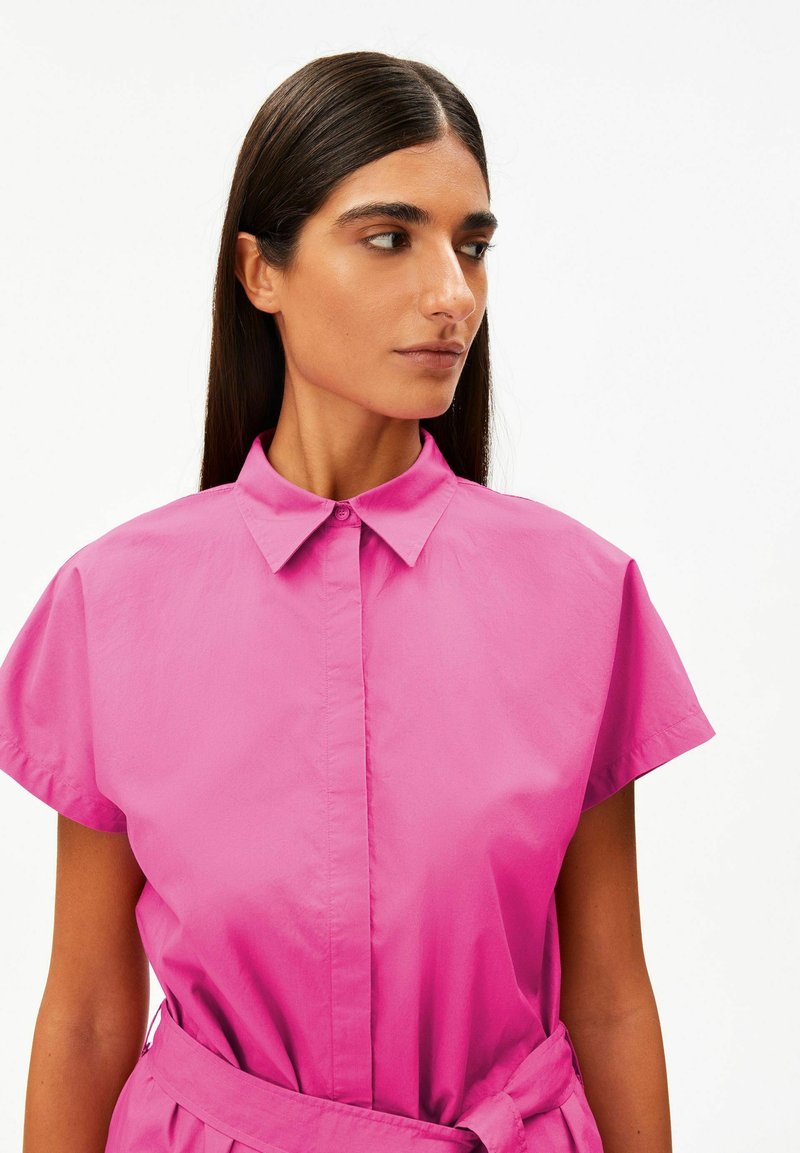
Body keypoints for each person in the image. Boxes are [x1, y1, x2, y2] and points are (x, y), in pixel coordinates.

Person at [0, 50, 715, 1153]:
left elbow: (611, 997)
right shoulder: (113, 603)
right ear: (261, 271)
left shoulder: (581, 596)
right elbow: (90, 1010)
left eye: (471, 246)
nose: (451, 296)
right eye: (389, 239)